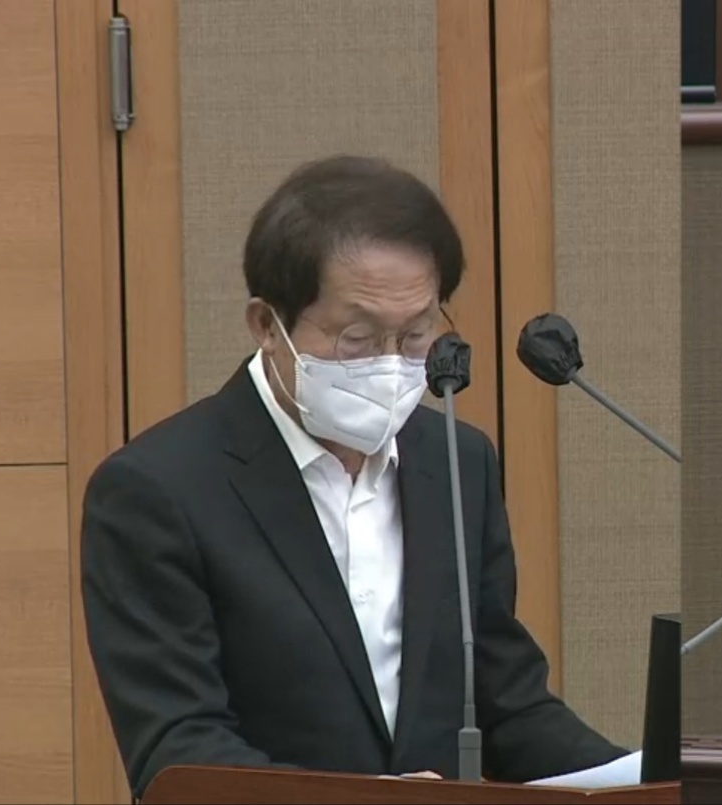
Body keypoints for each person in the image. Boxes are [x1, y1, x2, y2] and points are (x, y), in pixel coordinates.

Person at [81, 155, 626, 797]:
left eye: (417, 335)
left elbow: (507, 707)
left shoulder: (458, 462)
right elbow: (181, 753)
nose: (391, 364)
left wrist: (642, 781)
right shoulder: (156, 491)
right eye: (358, 339)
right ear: (267, 325)